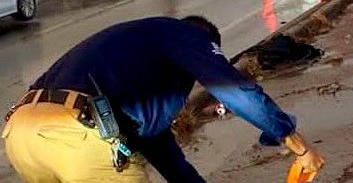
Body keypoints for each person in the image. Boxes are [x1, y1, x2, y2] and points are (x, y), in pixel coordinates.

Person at [2, 16, 324, 182]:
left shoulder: (138, 69)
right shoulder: (186, 36)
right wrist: (298, 146)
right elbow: (234, 88)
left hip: (22, 137)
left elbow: (169, 160)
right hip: (80, 135)